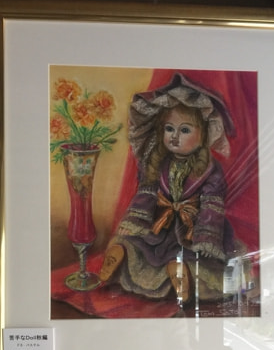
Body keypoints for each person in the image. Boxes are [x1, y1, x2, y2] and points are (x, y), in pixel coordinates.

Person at [99, 72, 250, 306]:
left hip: (193, 230)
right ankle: (118, 254)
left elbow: (212, 206)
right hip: (159, 227)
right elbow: (145, 195)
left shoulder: (211, 170)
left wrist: (205, 237)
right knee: (135, 244)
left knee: (200, 258)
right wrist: (136, 222)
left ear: (205, 134)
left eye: (185, 130)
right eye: (169, 129)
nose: (175, 137)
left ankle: (181, 275)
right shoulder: (156, 162)